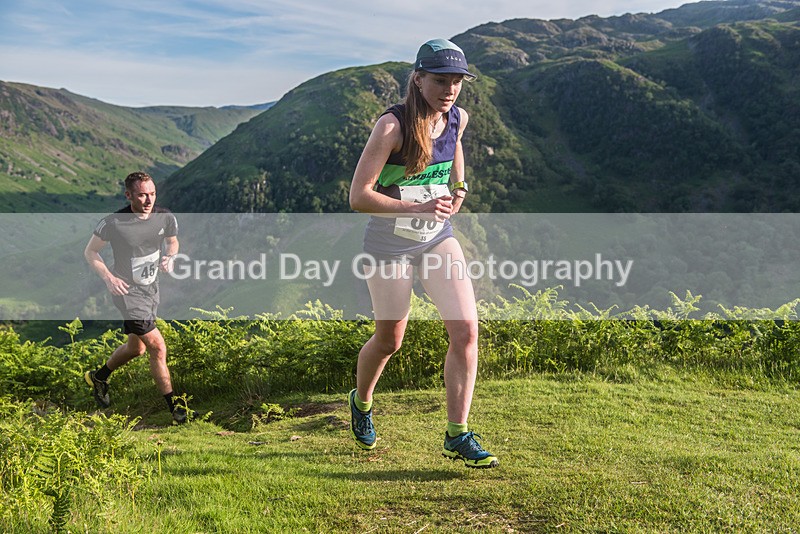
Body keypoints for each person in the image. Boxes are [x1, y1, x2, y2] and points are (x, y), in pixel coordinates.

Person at [348, 39, 498, 468]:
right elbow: (359, 196)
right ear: (418, 79)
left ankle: (458, 434)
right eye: (440, 80)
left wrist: (461, 189)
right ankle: (361, 402)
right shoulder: (391, 128)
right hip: (388, 245)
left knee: (466, 331)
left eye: (456, 82)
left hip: (436, 237)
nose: (449, 89)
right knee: (390, 340)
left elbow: (455, 158)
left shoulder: (458, 118)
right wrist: (416, 207)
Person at [83, 171, 187, 424]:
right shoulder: (113, 222)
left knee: (136, 348)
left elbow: (173, 243)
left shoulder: (165, 216)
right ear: (129, 195)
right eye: (142, 194)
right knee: (157, 346)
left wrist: (171, 257)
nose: (148, 199)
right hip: (126, 293)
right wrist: (109, 278)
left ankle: (99, 377)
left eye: (152, 193)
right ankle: (175, 408)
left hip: (151, 290)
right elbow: (91, 252)